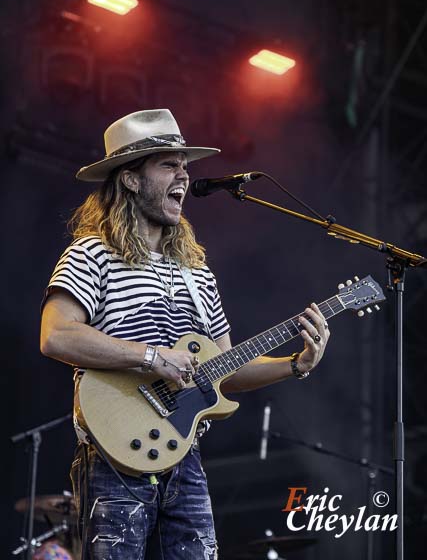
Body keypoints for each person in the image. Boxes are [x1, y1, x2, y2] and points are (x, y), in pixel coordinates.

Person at [40, 108, 330, 560]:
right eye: (169, 164)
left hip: (183, 454)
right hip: (114, 455)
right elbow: (56, 336)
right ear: (131, 179)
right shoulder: (91, 254)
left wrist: (295, 365)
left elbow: (226, 370)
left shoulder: (198, 272)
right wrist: (153, 357)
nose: (184, 175)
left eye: (185, 165)